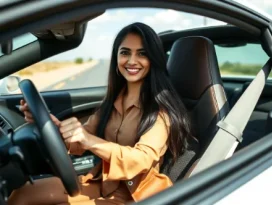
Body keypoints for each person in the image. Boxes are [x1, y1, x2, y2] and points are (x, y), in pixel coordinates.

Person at [8, 22, 192, 205]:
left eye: (142, 54)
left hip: (135, 196)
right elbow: (81, 140)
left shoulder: (160, 112)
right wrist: (51, 125)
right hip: (102, 183)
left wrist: (91, 141)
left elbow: (141, 160)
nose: (132, 61)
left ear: (153, 60)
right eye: (125, 52)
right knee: (22, 194)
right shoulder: (112, 102)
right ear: (116, 57)